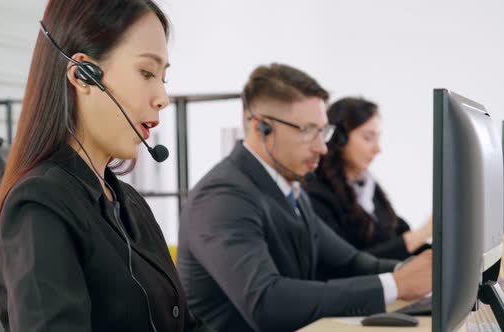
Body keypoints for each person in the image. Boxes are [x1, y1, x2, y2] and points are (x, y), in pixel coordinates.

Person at [0, 1, 210, 331]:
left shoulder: (129, 203)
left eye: (163, 77)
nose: (162, 97)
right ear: (84, 76)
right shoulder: (40, 205)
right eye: (146, 72)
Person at [177, 63, 432, 332]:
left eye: (323, 131)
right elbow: (267, 301)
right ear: (261, 127)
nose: (322, 147)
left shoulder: (289, 190)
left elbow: (350, 262)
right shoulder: (223, 198)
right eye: (308, 130)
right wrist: (396, 284)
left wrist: (416, 271)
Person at [304, 97, 432, 260]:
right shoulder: (316, 193)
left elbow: (398, 233)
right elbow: (345, 263)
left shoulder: (368, 187)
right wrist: (423, 233)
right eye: (368, 137)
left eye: (378, 137)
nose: (377, 148)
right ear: (340, 139)